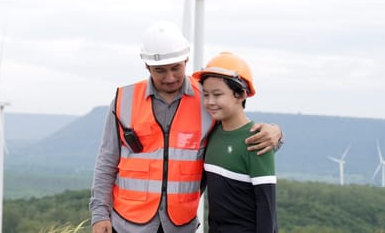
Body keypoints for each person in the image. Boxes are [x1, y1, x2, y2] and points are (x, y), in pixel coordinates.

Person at [89, 21, 283, 233]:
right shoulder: (123, 100)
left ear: (186, 60)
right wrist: (99, 214)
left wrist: (276, 133)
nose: (170, 77)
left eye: (176, 68)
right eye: (160, 71)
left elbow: (237, 128)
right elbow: (106, 160)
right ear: (147, 66)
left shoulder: (206, 99)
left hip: (180, 226)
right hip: (127, 224)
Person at [193, 52, 277, 232]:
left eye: (217, 94)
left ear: (240, 95)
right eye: (206, 94)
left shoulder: (257, 139)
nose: (209, 102)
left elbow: (267, 208)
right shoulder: (212, 132)